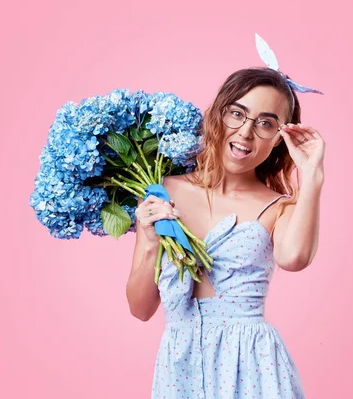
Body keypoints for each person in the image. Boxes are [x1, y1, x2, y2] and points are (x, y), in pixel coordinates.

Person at [126, 66, 325, 398]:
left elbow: (293, 258)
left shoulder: (278, 207)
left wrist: (312, 175)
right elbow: (140, 308)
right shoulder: (162, 191)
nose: (246, 132)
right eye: (238, 113)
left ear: (280, 138)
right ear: (219, 114)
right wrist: (148, 239)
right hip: (181, 367)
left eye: (265, 123)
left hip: (253, 367)